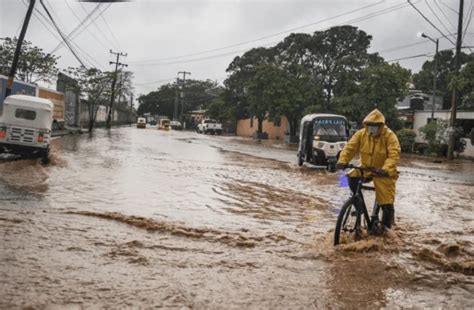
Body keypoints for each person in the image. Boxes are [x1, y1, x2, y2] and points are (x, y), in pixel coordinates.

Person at [336, 109, 401, 229]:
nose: (372, 128)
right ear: (366, 125)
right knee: (351, 176)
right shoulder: (361, 134)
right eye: (370, 125)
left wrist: (385, 169)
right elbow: (350, 148)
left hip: (384, 172)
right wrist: (342, 161)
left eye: (375, 126)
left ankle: (386, 227)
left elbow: (394, 155)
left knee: (386, 202)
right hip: (365, 168)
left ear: (381, 126)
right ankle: (357, 204)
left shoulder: (390, 136)